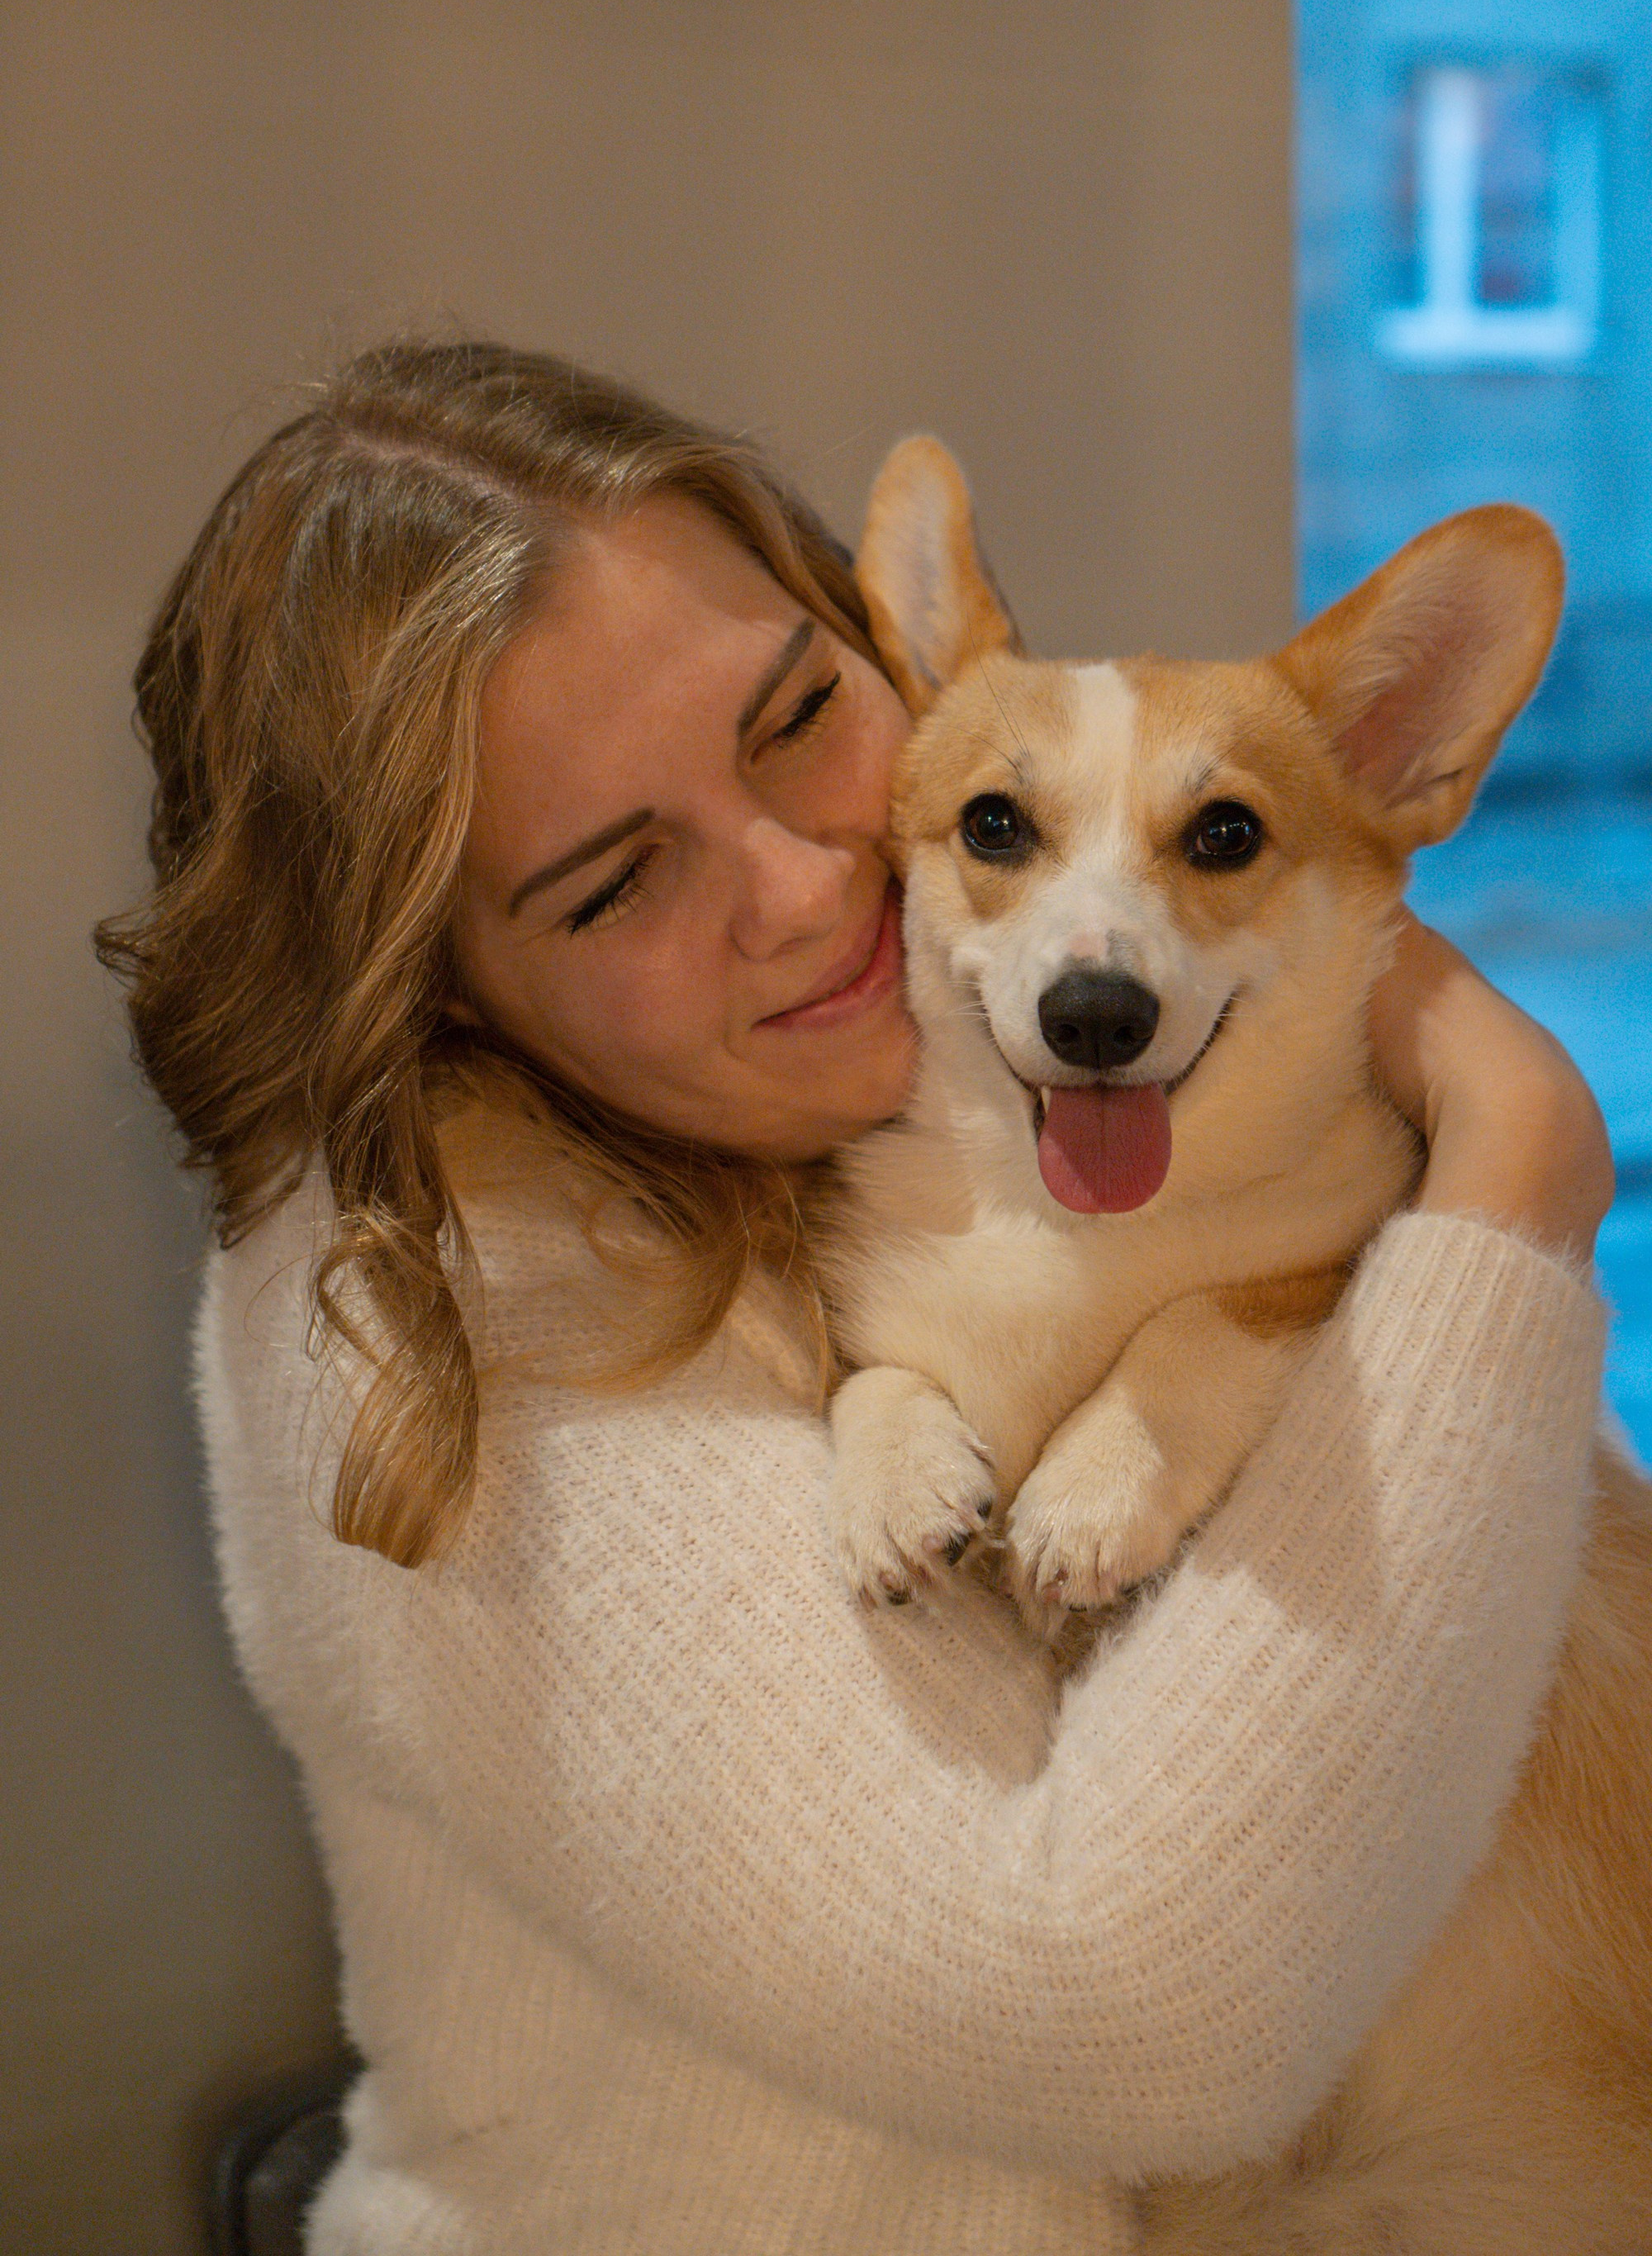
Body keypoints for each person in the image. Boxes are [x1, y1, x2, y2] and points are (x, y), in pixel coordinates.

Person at [99, 342, 1612, 2256]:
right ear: (439, 981)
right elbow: (1133, 2025)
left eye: (797, 714)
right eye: (609, 883)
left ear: (873, 639)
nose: (813, 887)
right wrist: (1515, 1169)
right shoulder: (430, 1310)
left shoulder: (877, 1131)